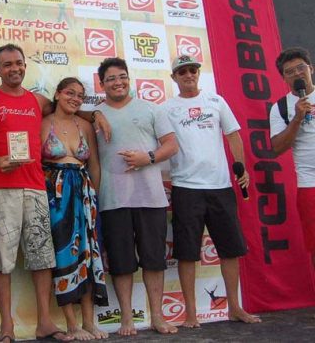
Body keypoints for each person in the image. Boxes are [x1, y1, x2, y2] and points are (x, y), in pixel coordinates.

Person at [0, 43, 72, 343]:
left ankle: (44, 322)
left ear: (24, 66)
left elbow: (71, 109)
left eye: (18, 63)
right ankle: (7, 327)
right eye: (7, 65)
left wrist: (97, 116)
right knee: (1, 261)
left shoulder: (39, 101)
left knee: (42, 257)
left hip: (35, 187)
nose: (14, 68)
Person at [162, 55, 261, 327]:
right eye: (182, 72)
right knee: (187, 253)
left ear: (198, 73)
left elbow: (233, 135)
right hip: (186, 187)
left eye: (192, 70)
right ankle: (191, 314)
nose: (188, 75)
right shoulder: (167, 108)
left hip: (220, 187)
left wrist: (241, 168)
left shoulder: (216, 101)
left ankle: (234, 307)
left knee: (230, 250)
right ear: (174, 78)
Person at [93, 57, 179, 336]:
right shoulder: (95, 114)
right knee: (121, 263)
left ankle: (157, 316)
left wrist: (147, 157)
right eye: (111, 79)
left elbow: (171, 145)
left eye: (122, 77)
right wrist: (93, 114)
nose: (117, 82)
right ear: (102, 83)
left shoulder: (151, 109)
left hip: (151, 197)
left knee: (154, 259)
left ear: (129, 79)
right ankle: (127, 319)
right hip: (112, 199)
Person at [41, 77, 109, 341]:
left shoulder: (85, 125)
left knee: (89, 255)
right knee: (63, 257)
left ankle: (89, 322)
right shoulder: (44, 123)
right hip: (56, 197)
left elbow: (94, 165)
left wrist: (95, 195)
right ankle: (71, 324)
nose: (75, 98)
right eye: (70, 93)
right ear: (57, 94)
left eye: (80, 95)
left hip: (84, 193)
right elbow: (35, 161)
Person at [270, 47, 315, 269]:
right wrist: (297, 118)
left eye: (301, 68)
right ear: (284, 78)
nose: (297, 74)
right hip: (310, 184)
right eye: (290, 72)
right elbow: (276, 148)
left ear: (311, 69)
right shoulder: (280, 107)